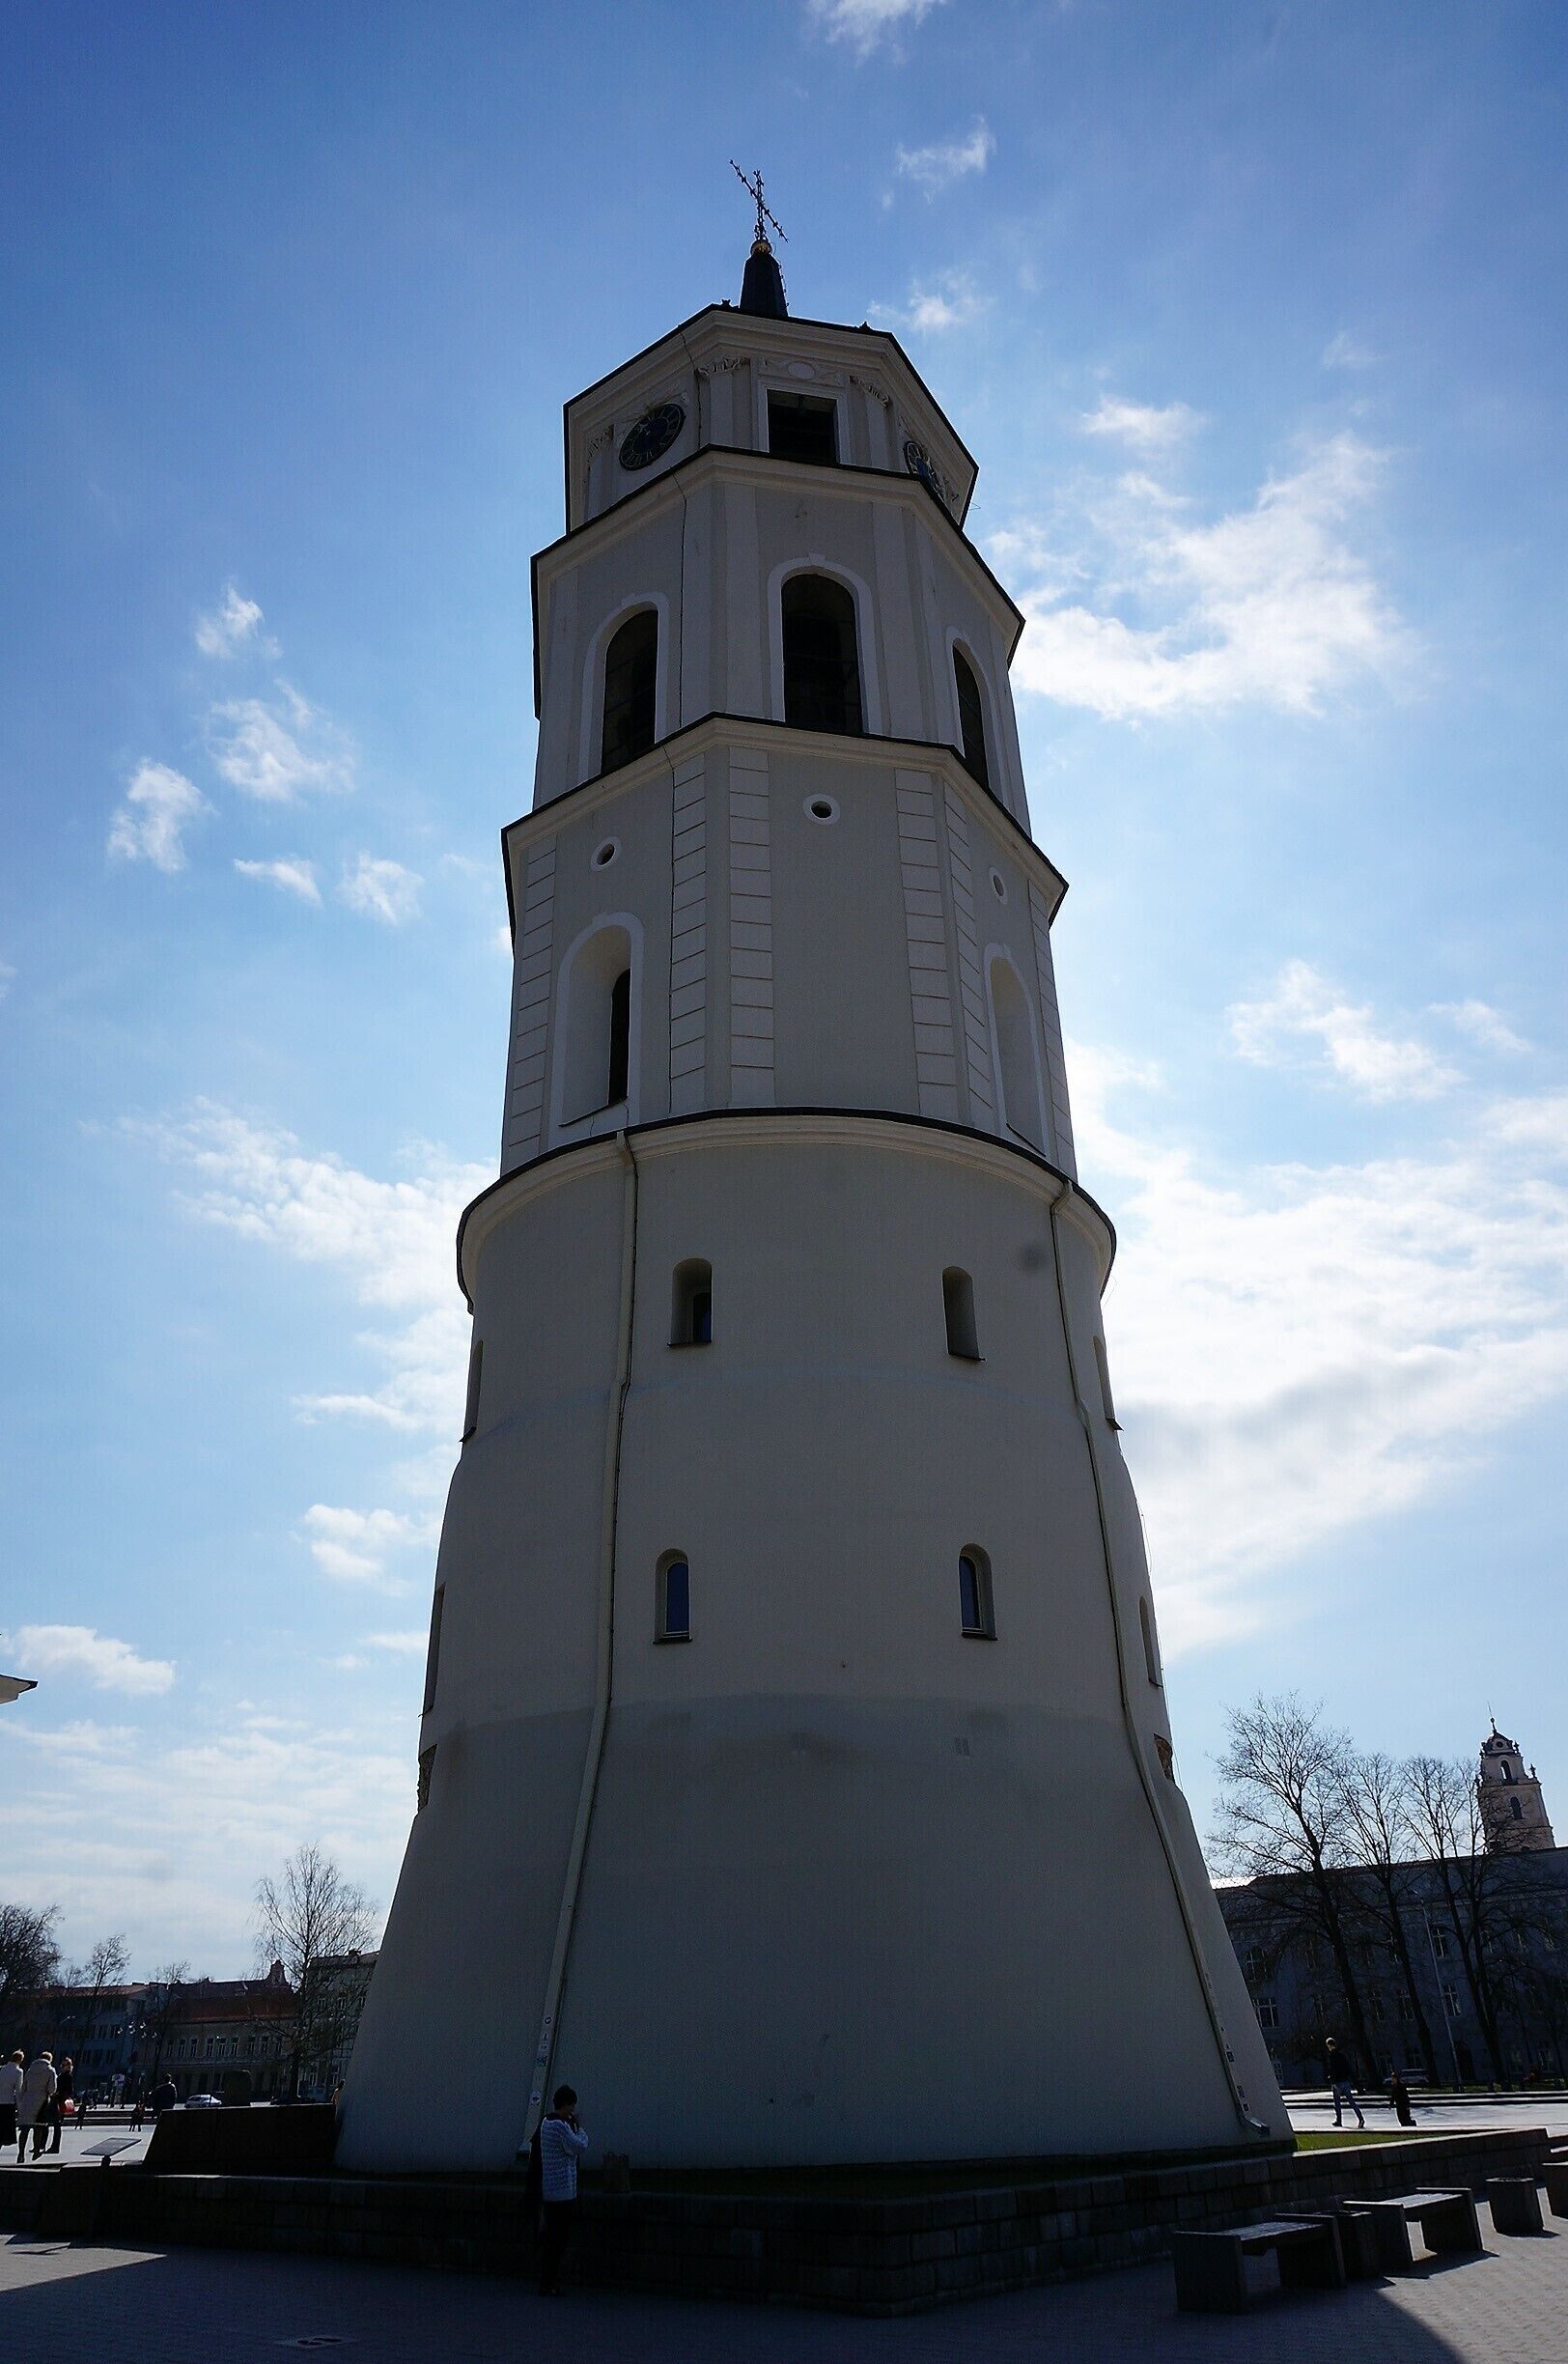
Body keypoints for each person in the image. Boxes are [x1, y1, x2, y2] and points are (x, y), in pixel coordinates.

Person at [535, 2085, 590, 2296]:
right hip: (563, 2192)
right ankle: (549, 2283)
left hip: (549, 2190)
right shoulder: (560, 2126)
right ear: (566, 2104)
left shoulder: (545, 2123)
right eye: (572, 2106)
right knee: (559, 2239)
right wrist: (580, 2128)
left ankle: (547, 2280)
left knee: (551, 2237)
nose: (572, 2110)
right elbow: (578, 2146)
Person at [18, 2053, 58, 2162]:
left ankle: (21, 2154)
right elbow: (52, 2089)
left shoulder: (30, 2070)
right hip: (41, 2102)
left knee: (24, 2129)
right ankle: (36, 2150)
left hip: (27, 2101)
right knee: (38, 2128)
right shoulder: (50, 2071)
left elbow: (23, 2088)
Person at [1324, 2039, 1364, 2130]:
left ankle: (1339, 2120)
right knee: (1351, 2101)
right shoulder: (1342, 2055)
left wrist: (1333, 2081)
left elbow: (1333, 2070)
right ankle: (1360, 2118)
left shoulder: (1332, 2056)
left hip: (1337, 2082)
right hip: (1345, 2081)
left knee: (1337, 2102)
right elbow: (1348, 2069)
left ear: (1329, 2046)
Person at [47, 2056, 74, 2153]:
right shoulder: (63, 2075)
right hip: (59, 2100)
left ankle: (55, 2146)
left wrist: (58, 2094)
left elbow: (69, 2090)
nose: (62, 2066)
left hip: (60, 2101)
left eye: (64, 2065)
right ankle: (54, 2146)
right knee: (56, 2125)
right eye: (62, 2065)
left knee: (57, 2125)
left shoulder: (67, 2076)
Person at [0, 2051, 22, 2153]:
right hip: (9, 2102)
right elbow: (18, 2090)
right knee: (6, 2128)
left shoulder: (2, 2069)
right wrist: (20, 2107)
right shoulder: (18, 2072)